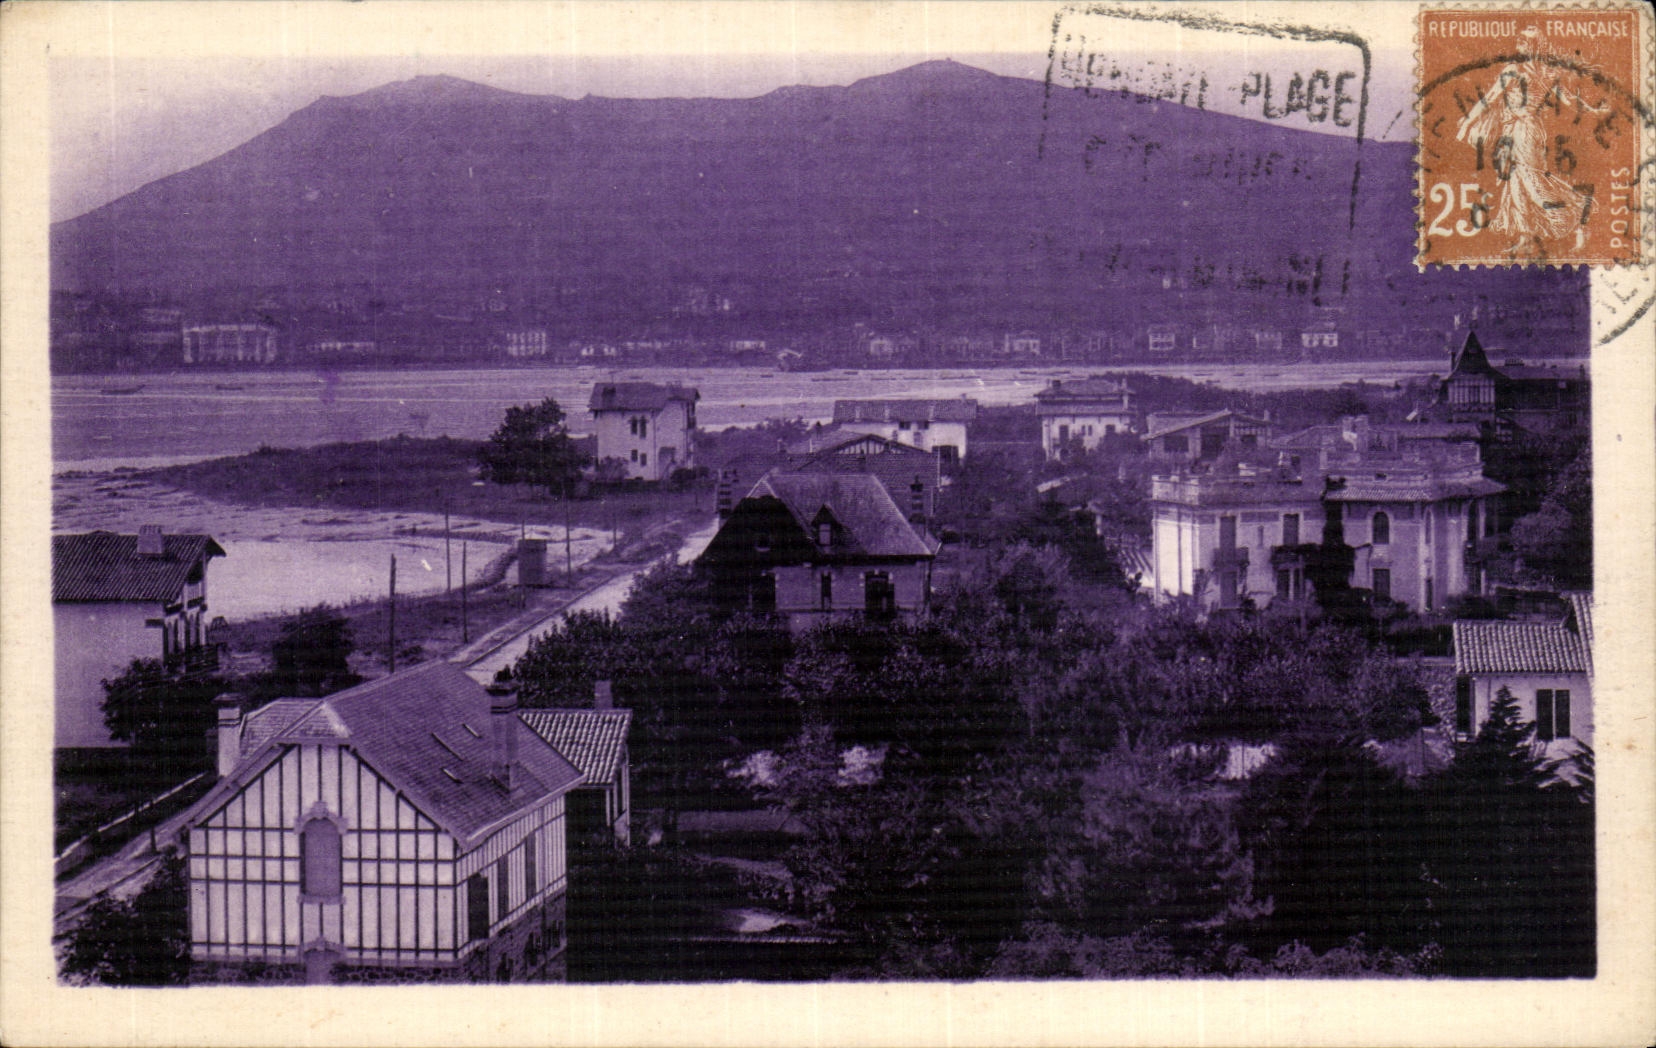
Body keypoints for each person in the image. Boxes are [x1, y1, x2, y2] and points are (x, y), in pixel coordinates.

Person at [1455, 27, 1606, 256]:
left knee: (1533, 184)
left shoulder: (1514, 71)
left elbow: (1489, 99)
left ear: (1535, 46)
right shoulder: (1546, 73)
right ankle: (1526, 238)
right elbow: (1569, 100)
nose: (1520, 42)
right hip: (1525, 131)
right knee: (1516, 184)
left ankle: (1576, 218)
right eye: (1520, 39)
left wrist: (1467, 123)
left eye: (1525, 40)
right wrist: (1593, 110)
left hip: (1522, 132)